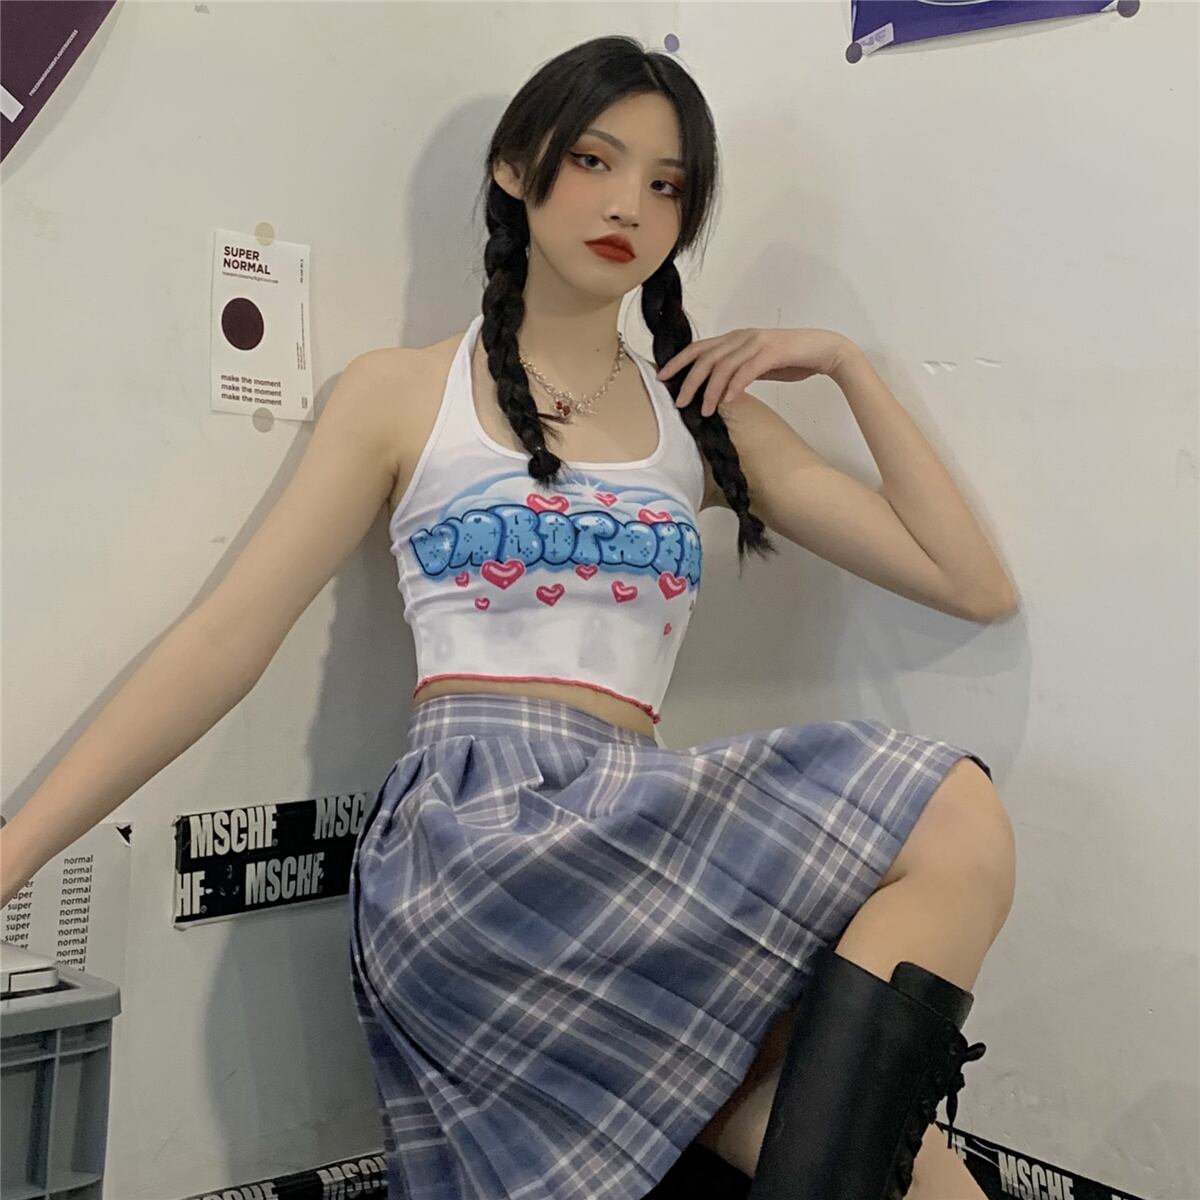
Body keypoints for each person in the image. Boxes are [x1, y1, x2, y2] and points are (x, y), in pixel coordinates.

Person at [0, 33, 1018, 1200]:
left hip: (631, 833)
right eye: (594, 160)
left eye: (666, 184)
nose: (627, 204)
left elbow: (970, 583)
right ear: (514, 165)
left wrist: (844, 362)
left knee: (923, 1117)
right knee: (941, 852)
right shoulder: (401, 394)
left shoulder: (702, 423)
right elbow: (223, 640)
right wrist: (15, 851)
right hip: (470, 848)